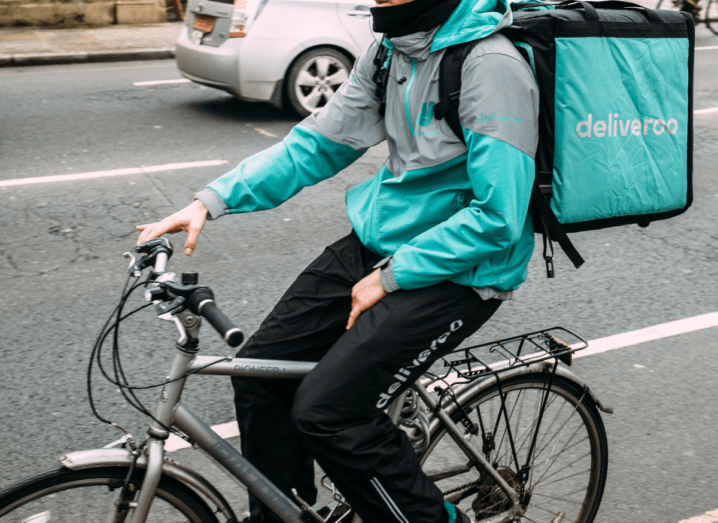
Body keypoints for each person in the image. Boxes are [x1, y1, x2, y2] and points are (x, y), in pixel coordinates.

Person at [136, 0, 539, 520]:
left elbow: (500, 216)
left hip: (464, 269)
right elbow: (315, 145)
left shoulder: (490, 67)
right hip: (381, 242)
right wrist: (210, 201)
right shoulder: (390, 52)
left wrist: (393, 277)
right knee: (261, 375)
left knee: (330, 412)